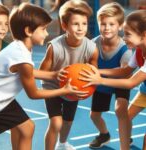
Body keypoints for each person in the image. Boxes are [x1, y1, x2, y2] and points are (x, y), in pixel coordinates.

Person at [0, 3, 88, 150]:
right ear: (28, 31)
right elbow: (34, 94)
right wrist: (64, 90)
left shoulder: (20, 47)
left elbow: (28, 71)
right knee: (26, 128)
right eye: (43, 29)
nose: (46, 33)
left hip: (3, 101)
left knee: (28, 128)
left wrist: (53, 74)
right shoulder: (20, 55)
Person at [79, 9, 146, 150]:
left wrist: (100, 80)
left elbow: (130, 82)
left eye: (128, 34)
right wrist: (98, 71)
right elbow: (125, 70)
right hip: (145, 92)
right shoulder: (139, 50)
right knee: (125, 117)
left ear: (144, 35)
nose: (124, 37)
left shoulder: (129, 50)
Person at [39, 0, 98, 150]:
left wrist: (91, 82)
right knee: (56, 122)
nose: (80, 28)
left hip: (73, 88)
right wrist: (55, 75)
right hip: (52, 88)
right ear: (64, 26)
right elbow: (41, 73)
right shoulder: (55, 47)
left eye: (84, 23)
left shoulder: (91, 48)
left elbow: (94, 71)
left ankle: (62, 143)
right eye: (75, 24)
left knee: (68, 122)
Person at [87, 2, 132, 150]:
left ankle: (125, 137)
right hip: (102, 83)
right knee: (94, 115)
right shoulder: (93, 44)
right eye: (103, 24)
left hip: (120, 82)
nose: (107, 28)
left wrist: (99, 72)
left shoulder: (125, 48)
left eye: (112, 24)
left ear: (120, 26)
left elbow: (124, 72)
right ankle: (104, 134)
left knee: (120, 109)